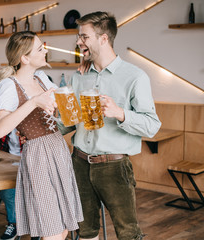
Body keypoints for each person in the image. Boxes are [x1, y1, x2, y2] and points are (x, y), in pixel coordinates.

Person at [60, 12, 162, 240]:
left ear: (103, 38)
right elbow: (70, 121)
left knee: (128, 233)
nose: (79, 42)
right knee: (85, 231)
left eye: (84, 37)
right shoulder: (80, 75)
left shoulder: (135, 76)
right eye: (79, 37)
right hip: (79, 162)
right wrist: (40, 132)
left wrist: (120, 113)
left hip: (114, 167)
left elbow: (152, 126)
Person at [0, 31, 83, 240]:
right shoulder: (9, 85)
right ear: (24, 58)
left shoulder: (42, 78)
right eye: (40, 49)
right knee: (51, 229)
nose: (46, 51)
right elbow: (0, 129)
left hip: (58, 149)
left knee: (63, 228)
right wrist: (33, 102)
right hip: (38, 155)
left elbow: (63, 111)